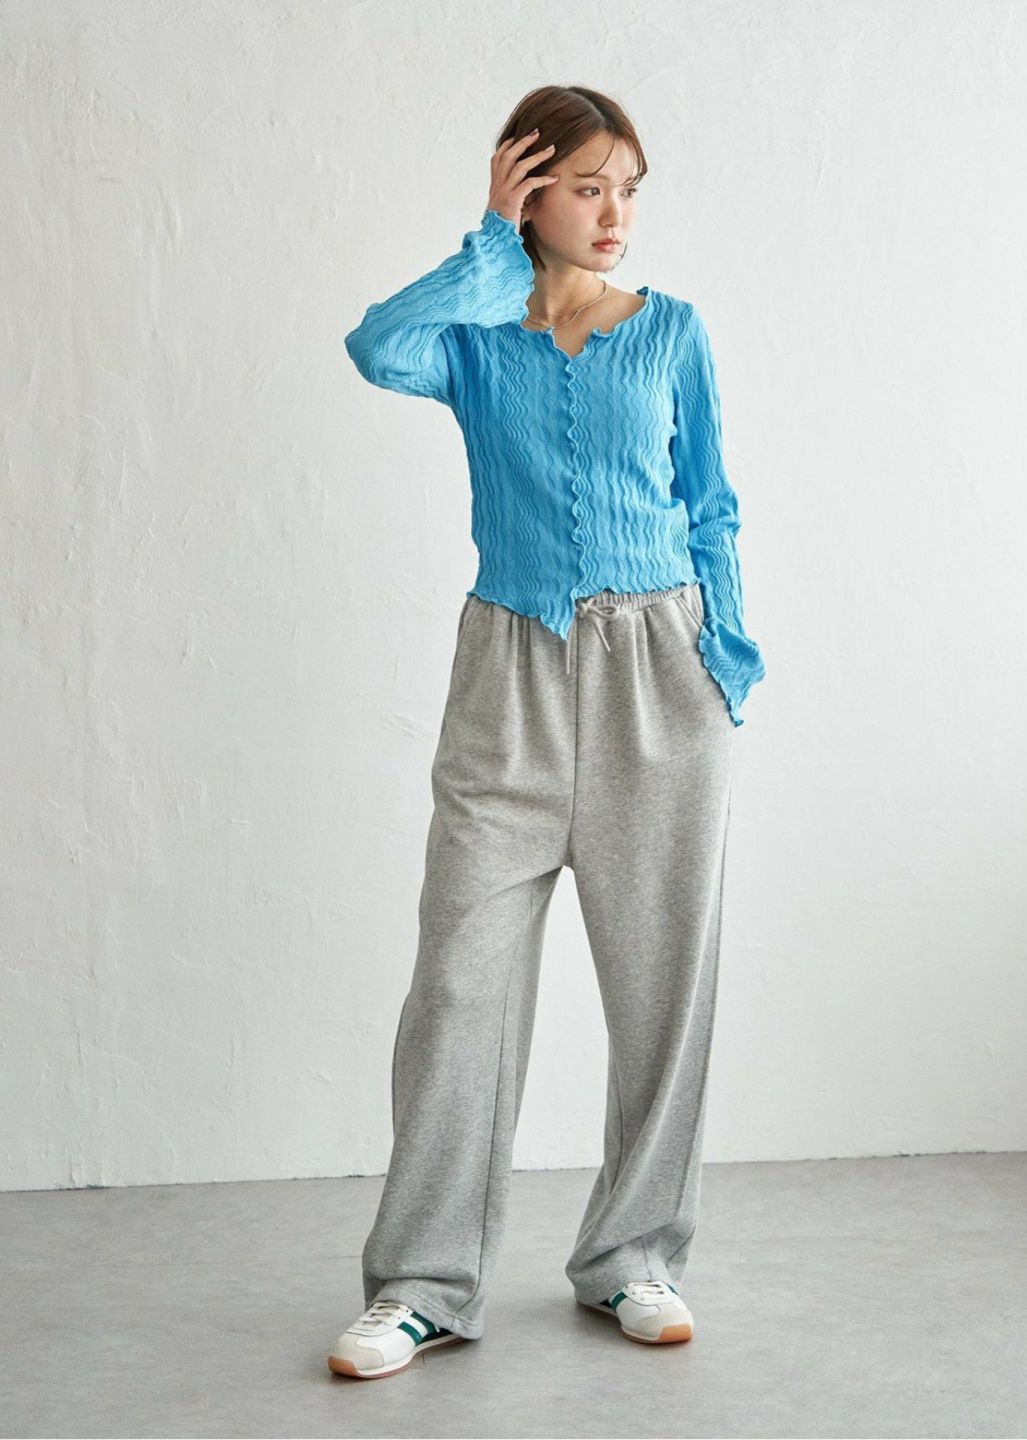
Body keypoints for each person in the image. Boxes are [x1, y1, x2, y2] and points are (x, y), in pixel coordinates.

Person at [328, 85, 765, 1380]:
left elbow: (712, 503)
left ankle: (634, 1258)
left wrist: (725, 660)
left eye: (628, 186)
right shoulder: (473, 338)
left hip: (659, 674)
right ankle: (421, 1284)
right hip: (509, 673)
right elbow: (374, 347)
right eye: (586, 186)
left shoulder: (671, 330)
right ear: (530, 192)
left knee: (661, 989)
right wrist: (485, 239)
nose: (615, 211)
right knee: (457, 990)